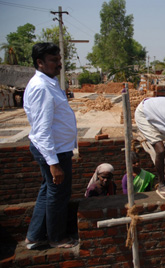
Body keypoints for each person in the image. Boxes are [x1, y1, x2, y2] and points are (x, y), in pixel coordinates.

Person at [23, 43, 78, 249]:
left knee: (48, 191)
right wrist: (54, 163)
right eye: (54, 60)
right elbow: (42, 129)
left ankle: (34, 236)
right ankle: (56, 238)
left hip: (57, 149)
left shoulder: (49, 83)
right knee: (58, 194)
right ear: (40, 63)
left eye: (59, 59)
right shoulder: (41, 87)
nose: (59, 64)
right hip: (53, 151)